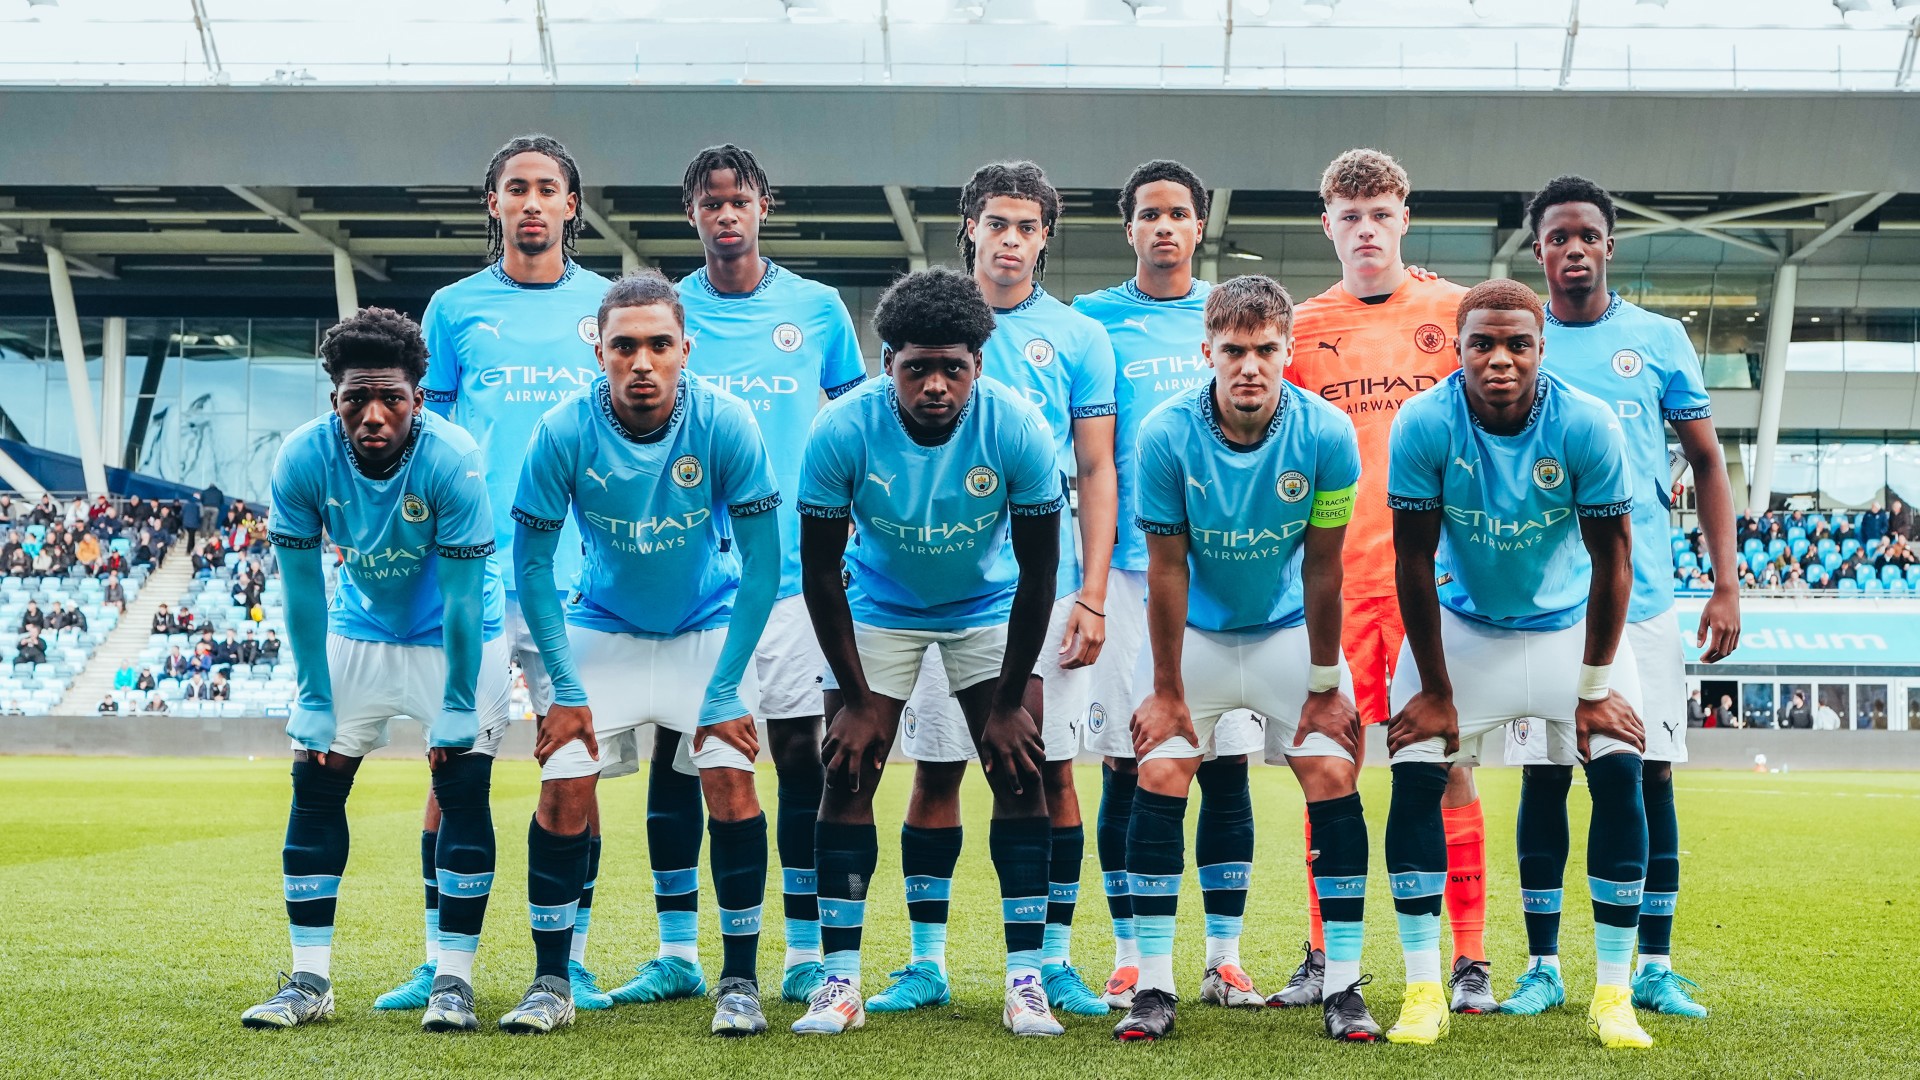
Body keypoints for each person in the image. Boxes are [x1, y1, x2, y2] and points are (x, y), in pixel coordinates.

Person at [863, 161, 1116, 1021]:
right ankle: (926, 963)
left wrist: (1090, 593)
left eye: (1027, 226)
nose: (1010, 239)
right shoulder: (922, 323)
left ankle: (1052, 962)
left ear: (1047, 236)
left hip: (1037, 588)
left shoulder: (1078, 337)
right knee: (935, 768)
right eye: (995, 223)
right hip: (931, 587)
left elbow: (1093, 466)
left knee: (1050, 769)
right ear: (968, 226)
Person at [503, 271, 782, 1036]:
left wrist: (726, 689)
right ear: (600, 351)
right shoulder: (562, 430)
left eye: (659, 345)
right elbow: (530, 565)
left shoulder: (727, 423)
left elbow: (765, 566)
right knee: (563, 781)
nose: (642, 363)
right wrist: (563, 686)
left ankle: (739, 983)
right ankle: (551, 981)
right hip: (604, 627)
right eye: (624, 346)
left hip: (706, 629)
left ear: (685, 349)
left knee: (730, 776)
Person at [792, 268, 1066, 1037]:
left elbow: (1041, 571)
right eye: (918, 368)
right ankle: (839, 979)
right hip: (879, 606)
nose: (936, 385)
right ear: (888, 365)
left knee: (1021, 773)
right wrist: (850, 697)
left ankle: (1025, 979)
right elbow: (819, 572)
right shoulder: (841, 429)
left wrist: (1009, 703)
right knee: (845, 771)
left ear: (979, 364)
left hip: (985, 607)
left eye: (954, 367)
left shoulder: (1017, 428)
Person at [1380, 279, 1652, 1049]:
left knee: (1621, 767)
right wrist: (1435, 689)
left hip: (1572, 630)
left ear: (1541, 348)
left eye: (1517, 344)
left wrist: (1595, 690)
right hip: (1466, 630)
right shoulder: (1425, 422)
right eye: (1482, 344)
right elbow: (1412, 560)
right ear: (1458, 348)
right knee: (1417, 765)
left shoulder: (1588, 423)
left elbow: (1615, 561)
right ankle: (1424, 987)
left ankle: (1611, 993)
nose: (1499, 359)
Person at [1495, 176, 1741, 1024]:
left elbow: (1707, 463)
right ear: (1539, 252)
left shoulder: (1659, 339)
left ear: (1609, 245)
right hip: (1547, 599)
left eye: (1587, 235)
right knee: (1544, 774)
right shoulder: (1519, 340)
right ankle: (1542, 966)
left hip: (1646, 602)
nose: (1572, 248)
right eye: (1557, 236)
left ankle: (1654, 965)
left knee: (1651, 775)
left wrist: (1725, 583)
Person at [1112, 276, 1375, 1043]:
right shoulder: (1164, 433)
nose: (1250, 366)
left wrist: (1326, 684)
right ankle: (1154, 987)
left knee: (1331, 766)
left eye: (1265, 349)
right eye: (1234, 350)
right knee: (1160, 768)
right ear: (1208, 353)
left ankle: (1347, 985)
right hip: (1193, 634)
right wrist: (1164, 690)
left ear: (1289, 351)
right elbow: (1166, 567)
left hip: (1288, 631)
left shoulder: (1326, 434)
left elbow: (1326, 566)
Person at [239, 306, 513, 1035]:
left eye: (390, 396)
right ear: (334, 398)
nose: (373, 413)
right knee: (315, 779)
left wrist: (457, 699)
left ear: (418, 398)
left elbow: (460, 594)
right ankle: (309, 979)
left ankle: (452, 982)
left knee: (461, 786)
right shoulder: (302, 458)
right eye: (355, 396)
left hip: (456, 636)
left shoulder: (452, 459)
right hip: (359, 626)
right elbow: (301, 588)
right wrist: (314, 692)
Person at [393, 132, 616, 1015]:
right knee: (453, 772)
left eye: (547, 189)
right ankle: (434, 957)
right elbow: (430, 444)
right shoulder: (451, 310)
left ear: (572, 206)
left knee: (575, 770)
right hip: (474, 574)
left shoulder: (609, 307)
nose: (531, 202)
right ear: (494, 205)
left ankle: (576, 958)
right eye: (515, 188)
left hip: (580, 575)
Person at [1278, 148, 1493, 1012]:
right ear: (1327, 224)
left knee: (1447, 766)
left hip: (1434, 585)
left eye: (1380, 214)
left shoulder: (1456, 311)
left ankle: (1468, 958)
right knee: (1326, 763)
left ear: (1405, 216)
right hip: (1335, 584)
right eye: (1350, 216)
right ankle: (1328, 957)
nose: (1366, 230)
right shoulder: (1296, 328)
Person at [666, 143, 867, 1010]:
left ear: (762, 206)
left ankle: (803, 945)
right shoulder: (668, 311)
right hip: (689, 581)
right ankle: (678, 950)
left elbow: (860, 424)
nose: (725, 215)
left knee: (798, 757)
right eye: (709, 203)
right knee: (683, 761)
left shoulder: (818, 310)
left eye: (737, 199)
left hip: (789, 575)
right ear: (692, 214)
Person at [1070, 160, 1270, 1013]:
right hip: (1127, 573)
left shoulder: (1234, 317)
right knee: (1129, 760)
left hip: (1229, 581)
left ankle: (1223, 956)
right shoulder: (1092, 323)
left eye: (1179, 214)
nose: (1163, 227)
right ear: (1129, 229)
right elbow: (1089, 454)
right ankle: (1128, 951)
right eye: (1148, 213)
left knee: (1227, 765)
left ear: (1199, 227)